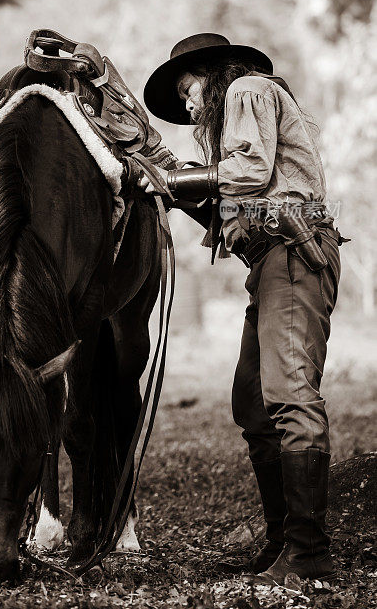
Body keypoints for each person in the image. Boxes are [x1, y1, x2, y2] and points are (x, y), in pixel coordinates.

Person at [140, 33, 344, 587]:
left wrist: (170, 178)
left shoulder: (248, 90)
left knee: (288, 397)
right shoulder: (236, 120)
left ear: (213, 72)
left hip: (293, 255)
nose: (186, 105)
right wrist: (169, 187)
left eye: (187, 90)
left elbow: (250, 174)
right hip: (270, 263)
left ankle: (308, 554)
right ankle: (282, 544)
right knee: (253, 406)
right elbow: (224, 215)